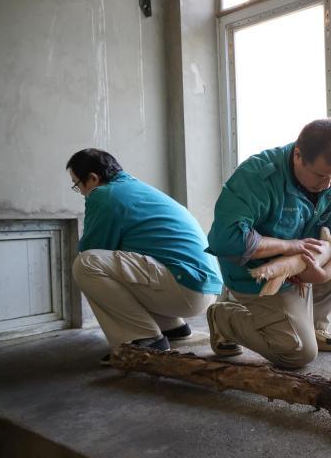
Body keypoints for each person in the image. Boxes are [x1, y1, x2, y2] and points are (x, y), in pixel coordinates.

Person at [205, 119, 331, 369]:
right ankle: (224, 316)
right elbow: (226, 239)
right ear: (298, 155)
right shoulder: (257, 176)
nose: (329, 185)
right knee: (298, 353)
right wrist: (290, 246)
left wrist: (323, 274)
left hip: (301, 268)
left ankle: (312, 323)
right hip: (256, 274)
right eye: (322, 175)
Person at [67, 149, 223, 365]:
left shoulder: (104, 195)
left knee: (86, 265)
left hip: (186, 288)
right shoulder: (134, 188)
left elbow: (90, 249)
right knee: (124, 262)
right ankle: (172, 327)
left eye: (77, 185)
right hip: (200, 288)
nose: (81, 192)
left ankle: (144, 338)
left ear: (93, 178)